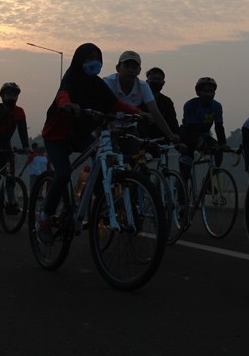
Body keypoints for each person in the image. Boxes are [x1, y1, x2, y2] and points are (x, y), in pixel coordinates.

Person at [36, 42, 144, 244]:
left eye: (96, 58)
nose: (93, 62)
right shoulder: (71, 78)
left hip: (79, 134)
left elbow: (115, 104)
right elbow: (62, 94)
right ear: (79, 61)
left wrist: (139, 113)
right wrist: (67, 105)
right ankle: (44, 219)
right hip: (56, 136)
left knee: (102, 153)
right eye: (88, 58)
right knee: (63, 174)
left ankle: (100, 199)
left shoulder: (97, 84)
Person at [102, 51, 179, 144]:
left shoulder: (143, 86)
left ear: (139, 70)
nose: (131, 70)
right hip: (106, 127)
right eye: (126, 66)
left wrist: (170, 135)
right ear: (118, 68)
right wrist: (109, 125)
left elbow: (155, 112)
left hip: (130, 129)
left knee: (135, 155)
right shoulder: (108, 83)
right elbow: (100, 107)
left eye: (134, 67)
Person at [178, 77, 230, 186]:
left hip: (204, 135)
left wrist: (223, 143)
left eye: (211, 91)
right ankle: (181, 198)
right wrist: (199, 140)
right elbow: (191, 126)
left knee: (218, 151)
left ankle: (208, 183)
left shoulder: (217, 106)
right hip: (188, 135)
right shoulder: (190, 105)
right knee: (185, 171)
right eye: (205, 91)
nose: (208, 94)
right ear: (198, 92)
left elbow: (219, 126)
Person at [145, 67, 179, 139]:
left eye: (159, 79)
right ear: (147, 81)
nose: (156, 82)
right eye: (153, 79)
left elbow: (173, 122)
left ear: (163, 83)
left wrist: (176, 138)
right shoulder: (139, 98)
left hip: (163, 139)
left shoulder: (167, 101)